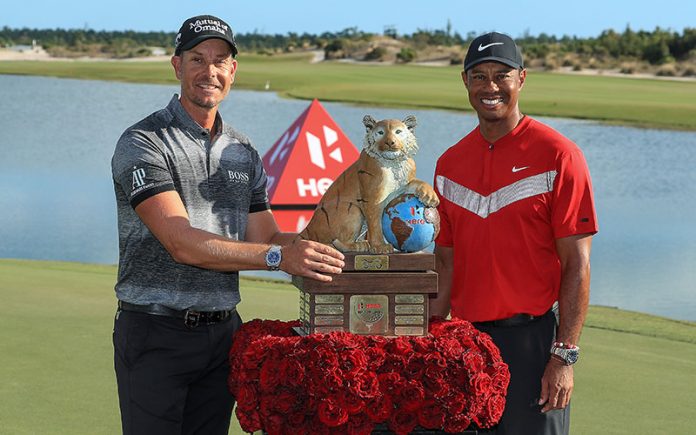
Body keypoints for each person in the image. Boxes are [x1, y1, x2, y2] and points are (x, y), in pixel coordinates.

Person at [110, 15, 344, 435]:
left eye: (220, 61)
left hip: (221, 335)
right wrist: (280, 258)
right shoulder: (143, 142)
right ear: (177, 65)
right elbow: (180, 242)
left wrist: (334, 244)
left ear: (233, 71)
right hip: (155, 332)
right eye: (197, 59)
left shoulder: (243, 151)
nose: (210, 71)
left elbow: (269, 236)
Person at [431, 32, 598, 435]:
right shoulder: (449, 164)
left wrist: (564, 357)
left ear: (521, 79)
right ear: (465, 81)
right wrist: (429, 337)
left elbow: (578, 263)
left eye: (501, 76)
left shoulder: (560, 155)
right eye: (479, 76)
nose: (490, 87)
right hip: (465, 344)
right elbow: (444, 262)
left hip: (533, 345)